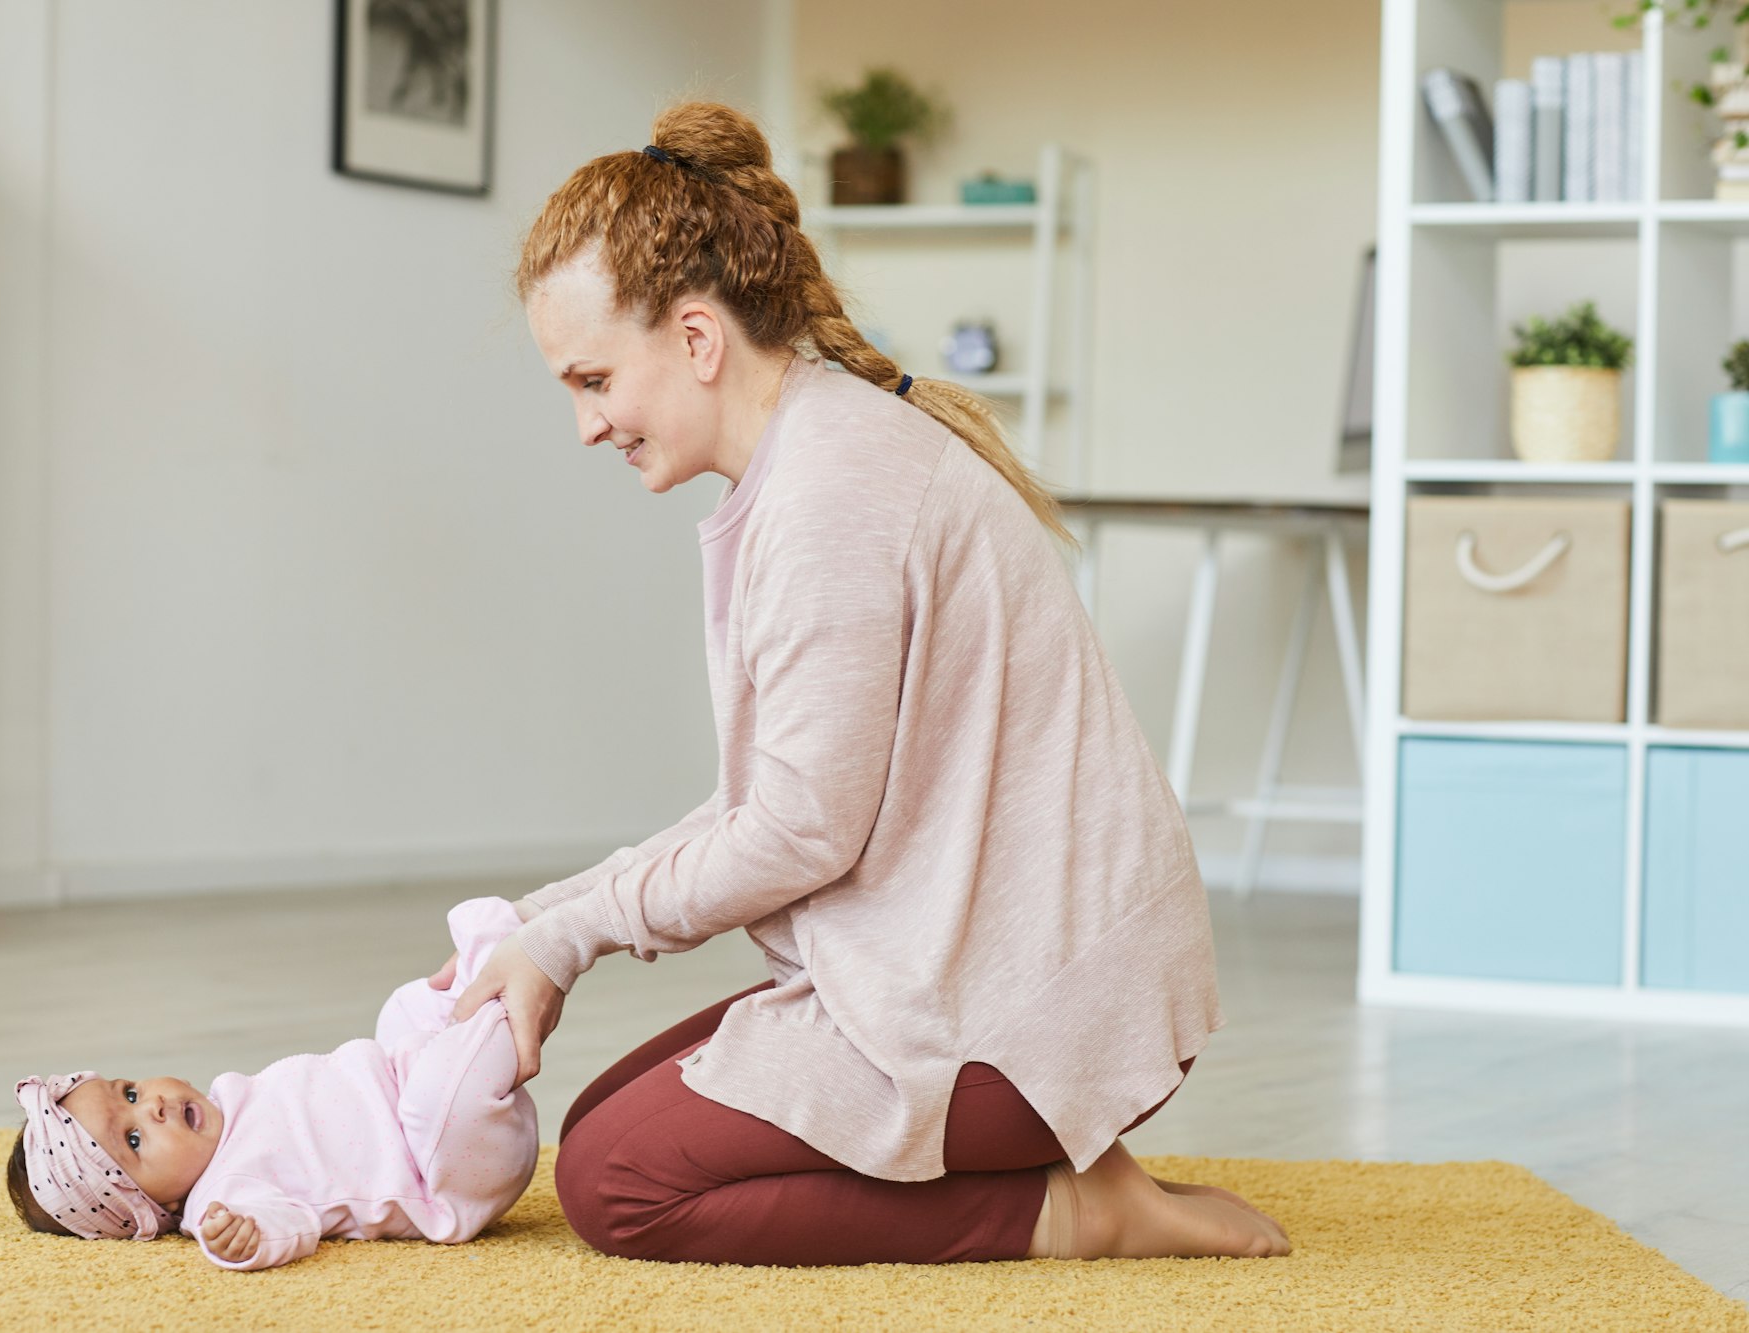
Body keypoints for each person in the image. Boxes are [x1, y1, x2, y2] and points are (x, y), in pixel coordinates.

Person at [429, 98, 1293, 1268]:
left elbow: (795, 833)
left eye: (593, 379)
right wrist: (543, 923)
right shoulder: (811, 453)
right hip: (987, 966)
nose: (586, 425)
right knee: (599, 1122)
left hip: (1023, 1004)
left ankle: (1075, 1209)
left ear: (694, 339)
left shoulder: (827, 494)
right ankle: (1069, 1170)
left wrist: (575, 937)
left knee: (614, 1183)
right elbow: (774, 801)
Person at [4, 897, 538, 1270]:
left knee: (403, 1008)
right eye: (135, 1141)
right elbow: (288, 1225)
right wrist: (242, 1240)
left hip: (405, 1089)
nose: (155, 1108)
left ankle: (480, 994)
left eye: (131, 1094)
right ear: (152, 1208)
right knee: (439, 1093)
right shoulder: (223, 1195)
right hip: (447, 1169)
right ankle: (499, 998)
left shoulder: (227, 1104)